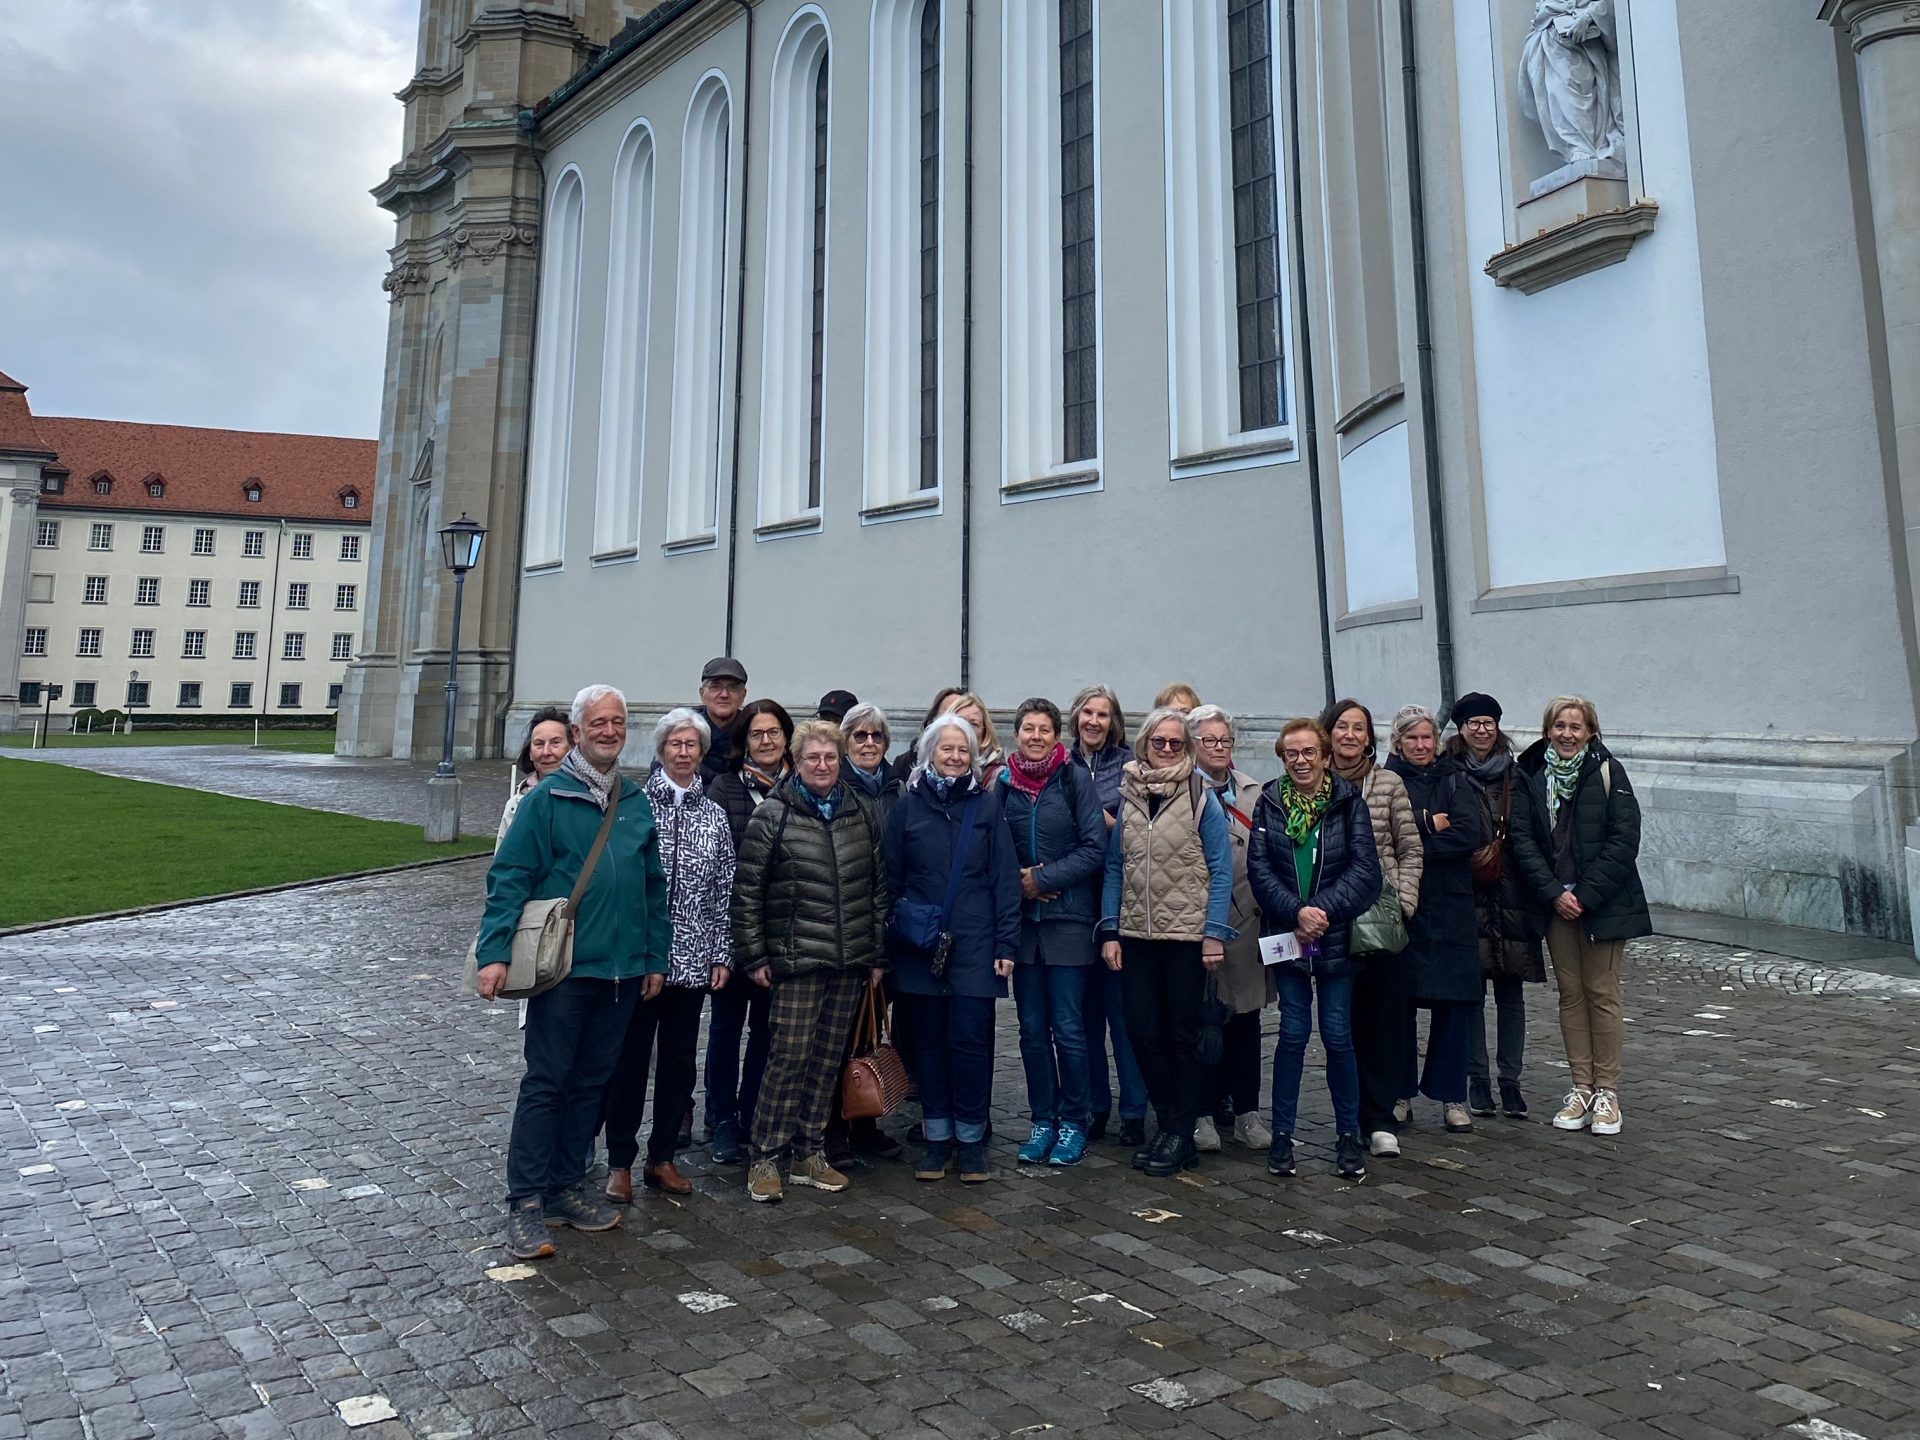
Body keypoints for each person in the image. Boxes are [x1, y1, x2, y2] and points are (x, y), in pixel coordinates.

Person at [474, 684, 670, 1260]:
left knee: (591, 1084)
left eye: (618, 722)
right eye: (598, 723)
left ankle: (565, 1188)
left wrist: (654, 957)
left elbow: (652, 887)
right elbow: (509, 876)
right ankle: (526, 1201)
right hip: (564, 968)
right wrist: (494, 952)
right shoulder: (547, 798)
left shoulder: (634, 800)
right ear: (578, 732)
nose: (610, 731)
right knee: (547, 1083)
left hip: (622, 970)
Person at [732, 720, 890, 1203]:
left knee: (826, 1061)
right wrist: (754, 955)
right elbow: (748, 893)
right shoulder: (773, 814)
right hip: (797, 959)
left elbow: (877, 888)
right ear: (796, 763)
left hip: (849, 959)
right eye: (813, 758)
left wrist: (876, 953)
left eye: (830, 758)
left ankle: (809, 1151)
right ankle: (765, 1155)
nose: (822, 766)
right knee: (788, 1059)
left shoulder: (860, 811)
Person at [601, 709, 736, 1202]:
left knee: (679, 1062)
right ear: (661, 751)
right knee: (630, 1061)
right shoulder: (635, 805)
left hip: (694, 959)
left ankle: (662, 1158)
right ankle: (620, 1161)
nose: (683, 752)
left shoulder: (713, 814)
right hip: (642, 961)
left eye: (691, 745)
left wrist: (721, 953)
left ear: (702, 753)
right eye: (675, 744)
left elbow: (723, 889)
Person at [1097, 705, 1236, 1177]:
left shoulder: (1201, 796)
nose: (1168, 749)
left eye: (1177, 742)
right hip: (1137, 934)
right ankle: (1170, 1121)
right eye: (1160, 741)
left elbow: (1221, 870)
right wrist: (1110, 930)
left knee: (1181, 1036)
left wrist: (1214, 935)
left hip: (1186, 938)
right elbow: (1116, 868)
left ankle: (1179, 1131)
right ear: (1145, 745)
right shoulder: (1130, 795)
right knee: (1142, 1033)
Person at [886, 714, 1021, 1183]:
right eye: (947, 748)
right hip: (920, 947)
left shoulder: (986, 807)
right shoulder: (908, 807)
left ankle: (971, 1140)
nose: (956, 756)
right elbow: (891, 879)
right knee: (928, 1047)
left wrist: (1006, 943)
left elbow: (1005, 880)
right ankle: (937, 1139)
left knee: (970, 1044)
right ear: (930, 753)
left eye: (963, 750)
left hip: (976, 945)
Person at [1247, 717, 1382, 1180]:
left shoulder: (1349, 803)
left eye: (1309, 753)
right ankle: (1282, 1137)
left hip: (1335, 937)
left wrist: (1320, 912)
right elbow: (1260, 871)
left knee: (1338, 1035)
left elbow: (1365, 871)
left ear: (1325, 757)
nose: (1300, 761)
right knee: (1292, 1034)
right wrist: (1296, 913)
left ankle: (1347, 1136)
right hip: (1288, 938)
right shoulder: (1269, 802)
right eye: (1291, 754)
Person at [1510, 695, 1649, 1137]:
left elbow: (1624, 840)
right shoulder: (1532, 773)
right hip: (1556, 903)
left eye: (1575, 727)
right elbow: (1522, 840)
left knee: (1602, 992)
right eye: (1559, 726)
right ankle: (1581, 1086)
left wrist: (1584, 896)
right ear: (1547, 730)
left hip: (1601, 903)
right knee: (1570, 994)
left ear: (1590, 732)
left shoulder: (1608, 772)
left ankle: (1608, 1091)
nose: (1567, 734)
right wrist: (1554, 893)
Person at [998, 698, 1108, 1167]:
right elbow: (993, 849)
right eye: (1029, 728)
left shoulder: (1073, 779)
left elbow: (1095, 847)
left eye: (1044, 729)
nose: (1036, 737)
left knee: (1068, 1028)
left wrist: (1043, 879)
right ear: (1016, 733)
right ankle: (1042, 1120)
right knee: (1030, 1030)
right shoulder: (1003, 784)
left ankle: (1074, 1121)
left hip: (1069, 923)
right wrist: (1018, 883)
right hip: (1024, 928)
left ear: (1057, 735)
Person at [1322, 699, 1424, 1160]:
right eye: (1341, 726)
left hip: (1382, 917)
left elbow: (1410, 848)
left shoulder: (1387, 783)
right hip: (1331, 917)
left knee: (1384, 1018)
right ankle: (1349, 1116)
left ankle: (1381, 1118)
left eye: (1358, 728)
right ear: (1329, 733)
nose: (1349, 735)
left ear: (1369, 738)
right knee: (1341, 1022)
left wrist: (1403, 902)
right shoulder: (1315, 783)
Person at [1385, 704, 1486, 1135]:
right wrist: (1430, 824)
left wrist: (1416, 843)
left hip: (1451, 905)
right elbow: (1384, 835)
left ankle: (1452, 1096)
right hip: (1406, 904)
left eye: (1427, 737)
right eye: (1412, 738)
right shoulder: (1387, 781)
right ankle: (1398, 1092)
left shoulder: (1455, 778)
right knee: (1399, 1003)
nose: (1421, 745)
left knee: (1454, 1005)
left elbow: (1468, 832)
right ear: (1398, 743)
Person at [702, 698, 795, 1163]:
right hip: (733, 931)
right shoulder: (724, 788)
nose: (766, 740)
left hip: (781, 934)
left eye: (773, 732)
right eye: (757, 733)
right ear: (744, 741)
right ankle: (721, 1116)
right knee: (725, 1028)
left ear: (786, 737)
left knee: (766, 1030)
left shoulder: (798, 789)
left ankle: (754, 1110)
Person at [1446, 692, 1544, 1120]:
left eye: (1488, 722)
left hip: (1512, 894)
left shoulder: (1517, 774)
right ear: (1461, 729)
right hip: (1466, 894)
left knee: (1511, 991)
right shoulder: (1449, 773)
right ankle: (1478, 1081)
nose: (1482, 730)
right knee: (1472, 994)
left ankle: (1510, 1081)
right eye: (1474, 723)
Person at [1188, 705, 1274, 1154]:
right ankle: (1201, 1112)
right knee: (1201, 1019)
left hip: (1246, 921)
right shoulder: (1183, 789)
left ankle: (1247, 1113)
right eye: (1209, 740)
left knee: (1246, 1020)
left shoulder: (1252, 791)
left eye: (1225, 740)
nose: (1219, 747)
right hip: (1194, 920)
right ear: (1193, 745)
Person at [1064, 683, 1147, 1145]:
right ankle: (1096, 1104)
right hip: (1076, 903)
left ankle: (1134, 1107)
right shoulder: (1061, 764)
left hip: (1122, 903)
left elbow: (1141, 831)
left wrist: (1103, 823)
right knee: (1085, 1017)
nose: (1094, 721)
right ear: (1076, 717)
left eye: (1103, 714)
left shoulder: (1130, 767)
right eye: (1087, 713)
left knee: (1123, 1014)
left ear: (1113, 721)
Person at [497, 705, 570, 845]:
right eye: (539, 744)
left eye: (555, 743)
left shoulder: (589, 799)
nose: (546, 752)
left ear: (571, 748)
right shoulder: (514, 806)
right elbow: (502, 856)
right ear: (530, 753)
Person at [893, 686, 964, 784]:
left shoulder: (980, 770)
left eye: (960, 718)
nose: (952, 722)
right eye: (946, 717)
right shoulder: (905, 763)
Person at [695, 656, 749, 780]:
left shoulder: (752, 730)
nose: (724, 694)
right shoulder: (682, 729)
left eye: (733, 688)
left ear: (743, 695)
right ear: (702, 693)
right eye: (715, 687)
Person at [945, 692, 1003, 771]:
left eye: (973, 725)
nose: (967, 730)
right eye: (961, 722)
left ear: (985, 732)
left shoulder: (998, 773)